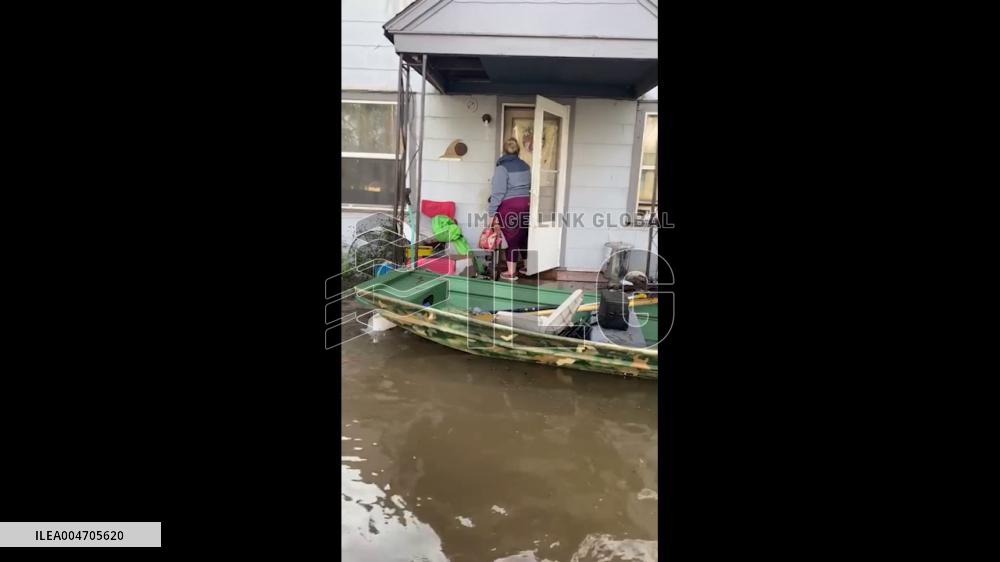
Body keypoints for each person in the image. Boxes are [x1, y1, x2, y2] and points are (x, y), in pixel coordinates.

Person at [488, 138, 531, 280]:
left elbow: (498, 192)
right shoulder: (526, 166)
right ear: (518, 150)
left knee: (511, 237)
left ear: (504, 151)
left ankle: (511, 272)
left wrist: (491, 213)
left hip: (510, 206)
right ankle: (526, 266)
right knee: (523, 235)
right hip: (526, 204)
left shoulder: (502, 168)